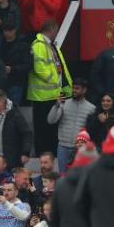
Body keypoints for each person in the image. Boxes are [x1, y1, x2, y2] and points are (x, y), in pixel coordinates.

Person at [28, 20, 73, 156]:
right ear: (52, 30)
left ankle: (51, 154)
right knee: (42, 129)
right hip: (42, 96)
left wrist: (65, 89)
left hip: (53, 94)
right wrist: (55, 83)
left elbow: (61, 69)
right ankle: (43, 156)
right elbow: (40, 69)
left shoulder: (51, 46)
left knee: (52, 129)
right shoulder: (39, 45)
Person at [47, 78, 96, 169]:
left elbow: (92, 130)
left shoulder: (91, 108)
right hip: (63, 146)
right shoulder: (64, 104)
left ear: (84, 90)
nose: (74, 90)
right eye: (73, 88)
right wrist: (57, 105)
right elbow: (50, 120)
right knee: (62, 176)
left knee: (78, 176)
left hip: (80, 148)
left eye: (77, 88)